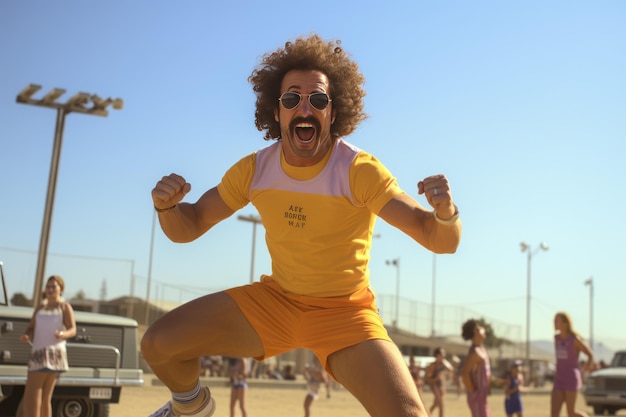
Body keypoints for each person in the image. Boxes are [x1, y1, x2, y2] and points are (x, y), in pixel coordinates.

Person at [141, 33, 462, 417]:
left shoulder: (358, 171)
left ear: (333, 112)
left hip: (346, 314)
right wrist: (167, 208)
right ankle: (190, 408)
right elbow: (189, 226)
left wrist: (446, 213)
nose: (305, 109)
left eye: (319, 100)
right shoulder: (255, 169)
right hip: (276, 304)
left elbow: (438, 239)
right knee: (159, 344)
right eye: (292, 99)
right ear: (276, 112)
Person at [20, 275, 76, 417]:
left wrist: (63, 334)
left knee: (33, 396)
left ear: (60, 289)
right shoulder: (40, 307)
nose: (50, 289)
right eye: (48, 286)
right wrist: (27, 336)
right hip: (38, 353)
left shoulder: (64, 306)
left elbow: (73, 329)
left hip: (54, 355)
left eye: (54, 286)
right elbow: (31, 328)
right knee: (44, 398)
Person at [551, 312, 594, 417]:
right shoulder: (556, 338)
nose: (554, 323)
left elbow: (589, 354)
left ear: (565, 323)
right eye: (554, 320)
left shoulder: (574, 339)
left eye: (557, 320)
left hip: (571, 378)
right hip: (559, 379)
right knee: (554, 413)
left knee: (571, 413)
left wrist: (587, 366)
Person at [461, 319, 491, 417]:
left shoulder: (481, 349)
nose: (483, 329)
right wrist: (473, 393)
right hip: (478, 398)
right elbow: (465, 374)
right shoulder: (475, 353)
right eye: (480, 328)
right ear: (476, 332)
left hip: (483, 397)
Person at [425, 347, 454, 417]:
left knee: (436, 403)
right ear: (437, 355)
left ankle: (426, 414)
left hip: (441, 385)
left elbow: (451, 369)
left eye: (444, 353)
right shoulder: (433, 365)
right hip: (435, 384)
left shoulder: (444, 363)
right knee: (441, 403)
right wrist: (435, 379)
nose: (443, 355)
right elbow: (426, 377)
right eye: (442, 354)